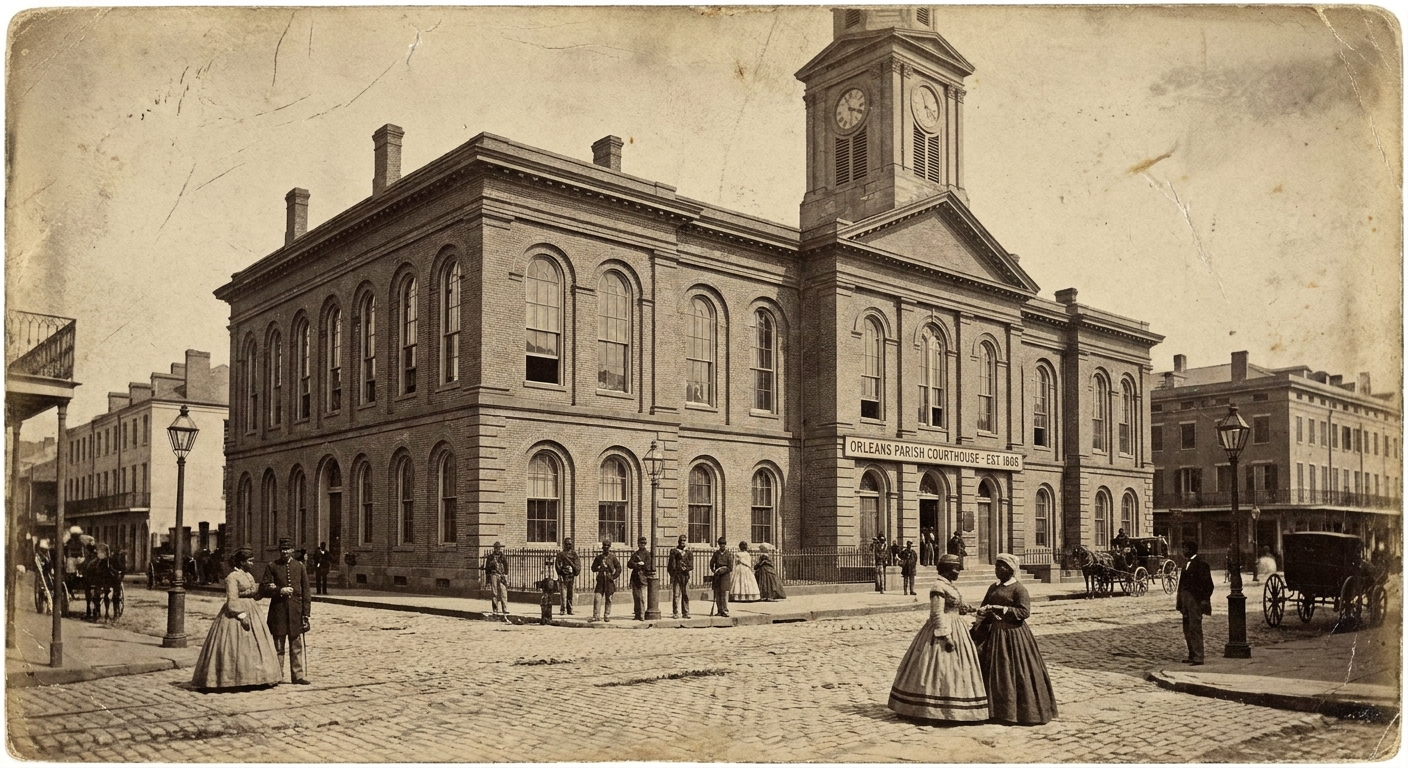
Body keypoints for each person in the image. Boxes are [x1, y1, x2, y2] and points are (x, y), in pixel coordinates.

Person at [887, 554, 988, 723]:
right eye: (956, 569)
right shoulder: (938, 587)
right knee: (938, 668)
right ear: (947, 570)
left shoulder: (949, 586)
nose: (958, 572)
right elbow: (936, 614)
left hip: (956, 625)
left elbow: (958, 606)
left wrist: (975, 611)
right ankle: (931, 708)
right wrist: (946, 637)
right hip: (943, 630)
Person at [975, 553, 1058, 725]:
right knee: (995, 672)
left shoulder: (1019, 589)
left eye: (1001, 566)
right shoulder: (993, 587)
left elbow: (1024, 612)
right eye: (996, 566)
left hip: (1013, 635)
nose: (997, 569)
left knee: (1013, 671)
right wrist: (981, 614)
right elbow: (984, 606)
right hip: (995, 635)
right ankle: (995, 711)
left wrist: (1002, 609)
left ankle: (1017, 712)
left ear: (1011, 570)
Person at [191, 547, 283, 690]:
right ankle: (234, 679)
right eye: (250, 561)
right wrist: (241, 615)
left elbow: (254, 595)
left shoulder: (249, 575)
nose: (252, 563)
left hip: (253, 610)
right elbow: (232, 600)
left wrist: (265, 589)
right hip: (237, 613)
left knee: (255, 645)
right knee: (235, 646)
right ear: (242, 562)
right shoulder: (232, 577)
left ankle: (256, 677)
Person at [261, 538, 311, 685]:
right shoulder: (272, 566)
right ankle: (278, 675)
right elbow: (264, 587)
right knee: (278, 646)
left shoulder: (299, 566)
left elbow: (306, 592)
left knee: (296, 645)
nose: (285, 552)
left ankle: (298, 676)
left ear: (292, 551)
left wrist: (306, 614)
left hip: (296, 611)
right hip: (279, 611)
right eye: (282, 549)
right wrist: (279, 590)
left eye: (287, 549)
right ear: (279, 551)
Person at [1176, 540, 1214, 666]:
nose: (1183, 551)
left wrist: (1203, 600)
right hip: (1185, 600)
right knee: (1186, 628)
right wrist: (1180, 602)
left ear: (1191, 550)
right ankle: (1191, 654)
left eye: (1185, 548)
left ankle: (1198, 657)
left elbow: (1208, 586)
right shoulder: (1186, 564)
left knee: (1195, 628)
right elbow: (1181, 586)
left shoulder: (1201, 565)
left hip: (1195, 600)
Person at [591, 541, 621, 622]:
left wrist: (613, 576)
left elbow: (618, 568)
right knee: (597, 598)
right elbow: (593, 568)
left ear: (609, 547)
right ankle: (596, 615)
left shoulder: (612, 557)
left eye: (608, 546)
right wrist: (599, 568)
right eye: (604, 546)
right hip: (600, 580)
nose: (606, 548)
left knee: (609, 599)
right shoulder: (598, 558)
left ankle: (607, 615)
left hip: (609, 580)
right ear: (602, 547)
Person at [627, 537, 654, 621]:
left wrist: (643, 564)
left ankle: (642, 615)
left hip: (643, 578)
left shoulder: (647, 554)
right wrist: (637, 564)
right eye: (640, 543)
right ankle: (637, 614)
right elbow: (629, 564)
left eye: (643, 543)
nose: (642, 545)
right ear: (638, 544)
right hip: (635, 578)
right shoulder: (635, 554)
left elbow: (649, 566)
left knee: (642, 597)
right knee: (636, 597)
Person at [483, 542, 510, 619]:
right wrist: (488, 580)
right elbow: (487, 569)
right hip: (493, 575)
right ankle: (495, 609)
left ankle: (505, 609)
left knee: (503, 592)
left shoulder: (503, 557)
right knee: (494, 593)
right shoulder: (490, 557)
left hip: (502, 576)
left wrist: (505, 575)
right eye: (496, 548)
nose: (497, 549)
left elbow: (506, 566)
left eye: (498, 548)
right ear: (494, 548)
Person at [668, 535, 693, 619]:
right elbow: (671, 565)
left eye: (684, 541)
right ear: (679, 541)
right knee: (676, 595)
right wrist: (673, 573)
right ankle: (675, 612)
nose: (683, 542)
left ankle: (686, 612)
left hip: (685, 576)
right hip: (677, 576)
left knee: (685, 594)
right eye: (681, 540)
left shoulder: (689, 552)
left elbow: (691, 565)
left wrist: (686, 568)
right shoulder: (674, 551)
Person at [555, 538, 581, 615]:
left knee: (570, 594)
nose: (568, 545)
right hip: (563, 576)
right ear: (564, 544)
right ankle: (563, 609)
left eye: (570, 544)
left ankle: (570, 609)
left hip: (571, 576)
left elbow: (578, 565)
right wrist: (562, 571)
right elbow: (557, 565)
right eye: (566, 544)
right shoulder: (560, 555)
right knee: (563, 594)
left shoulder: (574, 555)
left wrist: (573, 570)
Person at [710, 537, 733, 618]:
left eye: (723, 544)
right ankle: (719, 610)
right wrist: (714, 571)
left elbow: (730, 567)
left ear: (725, 545)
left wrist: (722, 570)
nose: (722, 546)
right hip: (717, 576)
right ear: (719, 545)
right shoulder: (716, 554)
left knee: (725, 593)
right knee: (717, 593)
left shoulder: (728, 554)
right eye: (720, 544)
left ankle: (725, 610)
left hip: (725, 576)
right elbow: (711, 563)